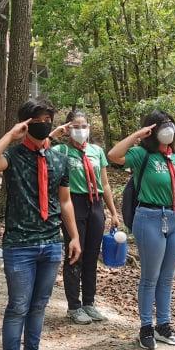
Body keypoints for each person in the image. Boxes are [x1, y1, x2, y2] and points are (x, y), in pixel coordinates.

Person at [0, 97, 81, 350]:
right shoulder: (13, 155)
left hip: (51, 242)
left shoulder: (59, 158)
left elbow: (65, 201)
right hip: (20, 244)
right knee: (18, 307)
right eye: (37, 120)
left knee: (39, 305)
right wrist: (11, 135)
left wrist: (74, 236)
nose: (44, 125)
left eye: (48, 119)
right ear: (25, 123)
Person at [108, 110, 175, 350]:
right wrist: (137, 135)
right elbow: (113, 155)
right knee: (149, 277)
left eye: (170, 124)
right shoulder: (142, 154)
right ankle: (145, 327)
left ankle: (163, 325)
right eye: (162, 125)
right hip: (149, 218)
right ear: (152, 130)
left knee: (167, 277)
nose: (168, 129)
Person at [50, 110, 121, 324]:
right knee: (75, 253)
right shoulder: (61, 150)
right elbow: (41, 149)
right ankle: (74, 306)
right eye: (75, 126)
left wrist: (113, 212)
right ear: (68, 129)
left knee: (91, 255)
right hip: (73, 202)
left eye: (83, 126)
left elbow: (104, 183)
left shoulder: (96, 151)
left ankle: (89, 302)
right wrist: (54, 134)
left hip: (95, 204)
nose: (80, 130)